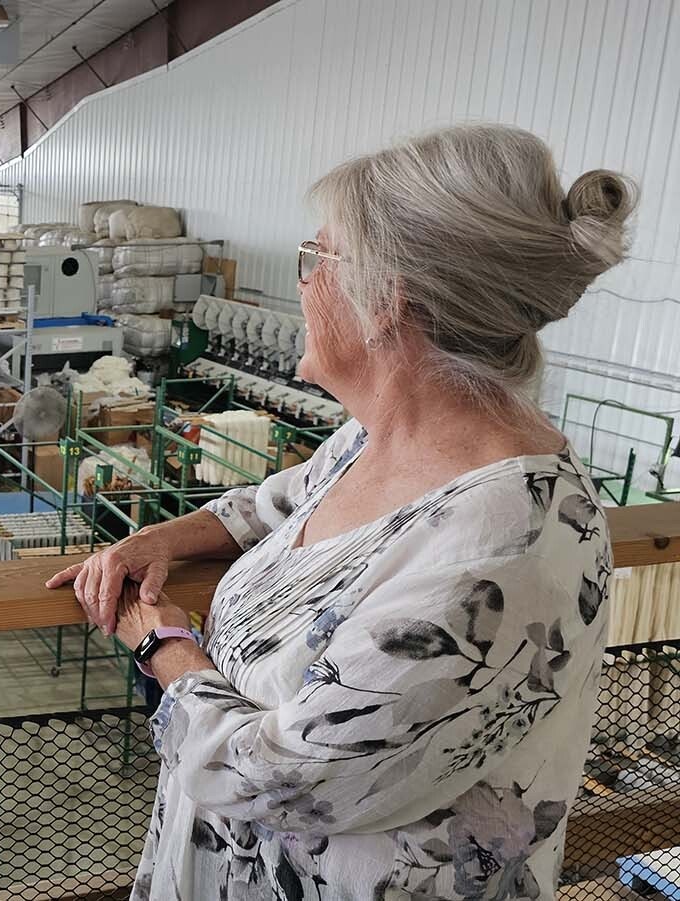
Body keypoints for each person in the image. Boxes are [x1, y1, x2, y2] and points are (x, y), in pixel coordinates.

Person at [49, 124, 635, 900]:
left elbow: (285, 778)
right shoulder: (378, 436)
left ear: (387, 299)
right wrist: (159, 537)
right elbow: (278, 504)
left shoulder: (500, 547)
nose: (300, 280)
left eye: (313, 259)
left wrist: (160, 642)